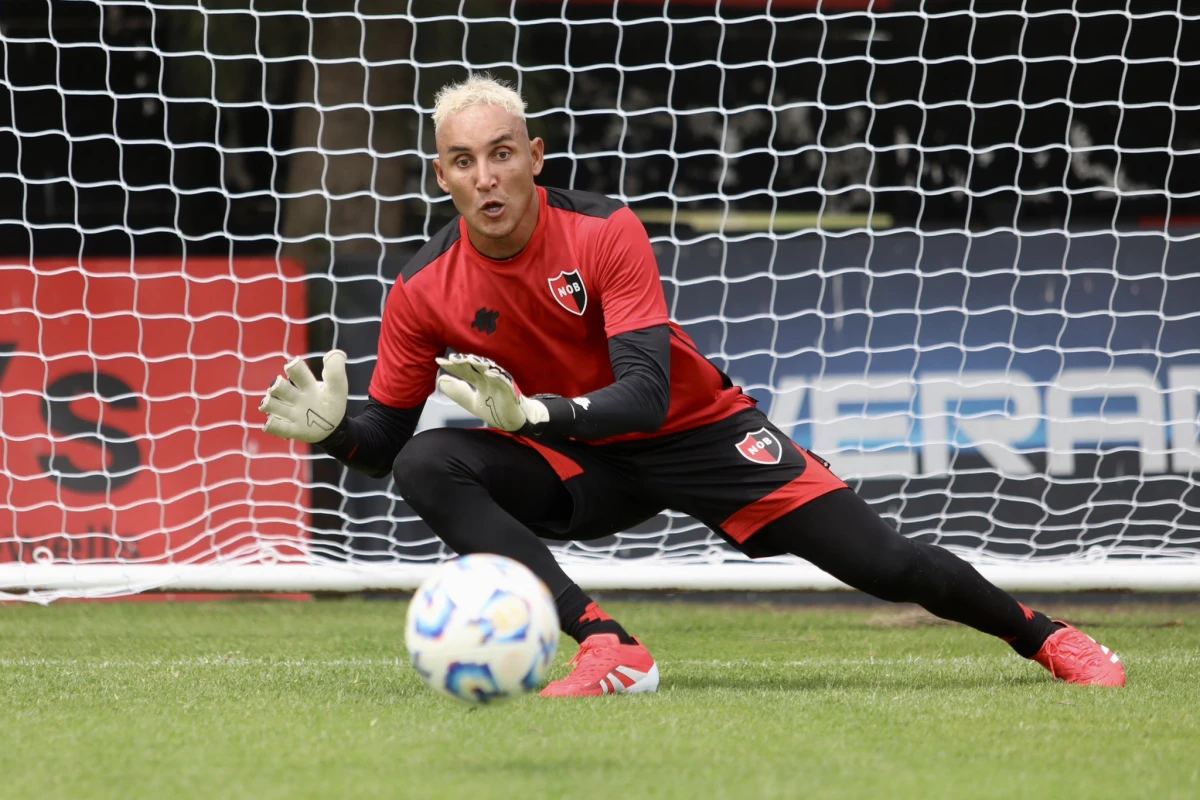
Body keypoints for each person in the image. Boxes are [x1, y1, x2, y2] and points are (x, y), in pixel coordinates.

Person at [259, 75, 1126, 696]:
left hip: (695, 431)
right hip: (579, 462)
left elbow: (643, 392)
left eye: (500, 154)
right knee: (427, 465)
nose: (485, 177)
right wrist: (338, 430)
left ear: (535, 157)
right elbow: (382, 447)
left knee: (885, 561)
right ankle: (608, 646)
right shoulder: (421, 289)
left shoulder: (603, 233)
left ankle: (1047, 640)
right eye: (462, 162)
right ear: (441, 177)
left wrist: (531, 412)